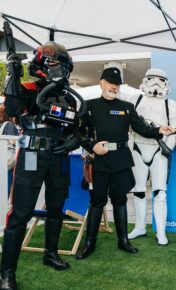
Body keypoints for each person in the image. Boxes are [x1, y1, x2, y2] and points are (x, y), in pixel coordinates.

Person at [1, 41, 86, 290]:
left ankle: (50, 253)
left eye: (61, 65)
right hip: (31, 155)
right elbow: (14, 109)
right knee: (20, 213)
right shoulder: (27, 88)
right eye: (52, 64)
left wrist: (72, 142)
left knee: (56, 208)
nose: (57, 70)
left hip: (59, 157)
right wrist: (12, 75)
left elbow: (77, 129)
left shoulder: (68, 98)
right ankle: (7, 273)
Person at [76, 67, 176, 260]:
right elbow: (78, 133)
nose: (113, 86)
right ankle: (89, 244)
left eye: (116, 84)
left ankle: (123, 240)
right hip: (99, 161)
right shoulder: (88, 106)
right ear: (101, 83)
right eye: (110, 82)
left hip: (121, 160)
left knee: (120, 200)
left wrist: (160, 131)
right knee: (97, 202)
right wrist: (91, 146)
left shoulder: (127, 107)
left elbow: (143, 129)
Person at [127, 68, 176, 246]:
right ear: (145, 79)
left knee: (160, 192)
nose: (156, 83)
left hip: (159, 150)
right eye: (152, 79)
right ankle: (140, 226)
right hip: (137, 148)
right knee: (138, 189)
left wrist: (167, 149)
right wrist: (129, 147)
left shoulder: (170, 104)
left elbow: (173, 131)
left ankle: (161, 231)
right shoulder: (135, 100)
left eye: (160, 80)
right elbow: (127, 128)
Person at [0, 103, 19, 194]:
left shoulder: (1, 125)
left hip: (2, 158)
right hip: (7, 160)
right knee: (6, 184)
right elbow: (12, 141)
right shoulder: (9, 125)